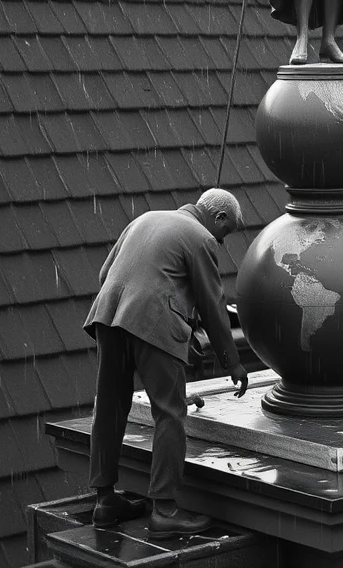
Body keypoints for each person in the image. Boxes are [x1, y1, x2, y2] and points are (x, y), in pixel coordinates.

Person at [82, 189, 249, 536]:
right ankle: (166, 510)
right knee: (170, 413)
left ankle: (104, 500)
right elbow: (212, 303)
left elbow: (105, 275)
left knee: (111, 406)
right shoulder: (201, 237)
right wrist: (231, 362)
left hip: (108, 316)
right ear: (218, 218)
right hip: (149, 322)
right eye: (226, 231)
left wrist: (179, 330)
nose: (222, 240)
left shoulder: (144, 219)